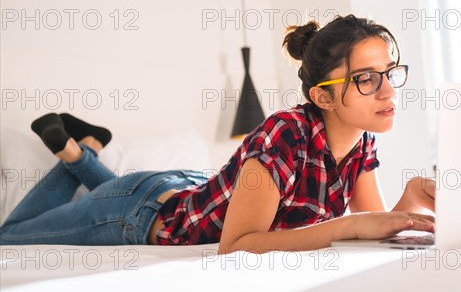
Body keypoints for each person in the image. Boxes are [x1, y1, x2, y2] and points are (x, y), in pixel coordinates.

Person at [0, 14, 435, 253]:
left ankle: (87, 149)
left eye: (390, 73)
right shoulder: (284, 134)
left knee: (110, 189)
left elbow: (373, 226)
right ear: (322, 98)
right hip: (144, 212)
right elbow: (238, 245)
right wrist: (350, 228)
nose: (387, 89)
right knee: (6, 238)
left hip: (184, 187)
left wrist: (410, 198)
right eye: (366, 78)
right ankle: (76, 157)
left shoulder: (361, 142)